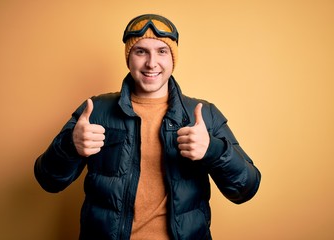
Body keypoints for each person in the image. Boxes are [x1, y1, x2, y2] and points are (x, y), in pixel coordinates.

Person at [34, 14, 261, 240]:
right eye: (141, 51)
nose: (151, 63)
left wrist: (212, 150)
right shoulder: (95, 110)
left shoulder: (203, 114)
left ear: (173, 58)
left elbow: (245, 189)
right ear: (128, 57)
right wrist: (70, 145)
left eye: (162, 51)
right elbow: (48, 180)